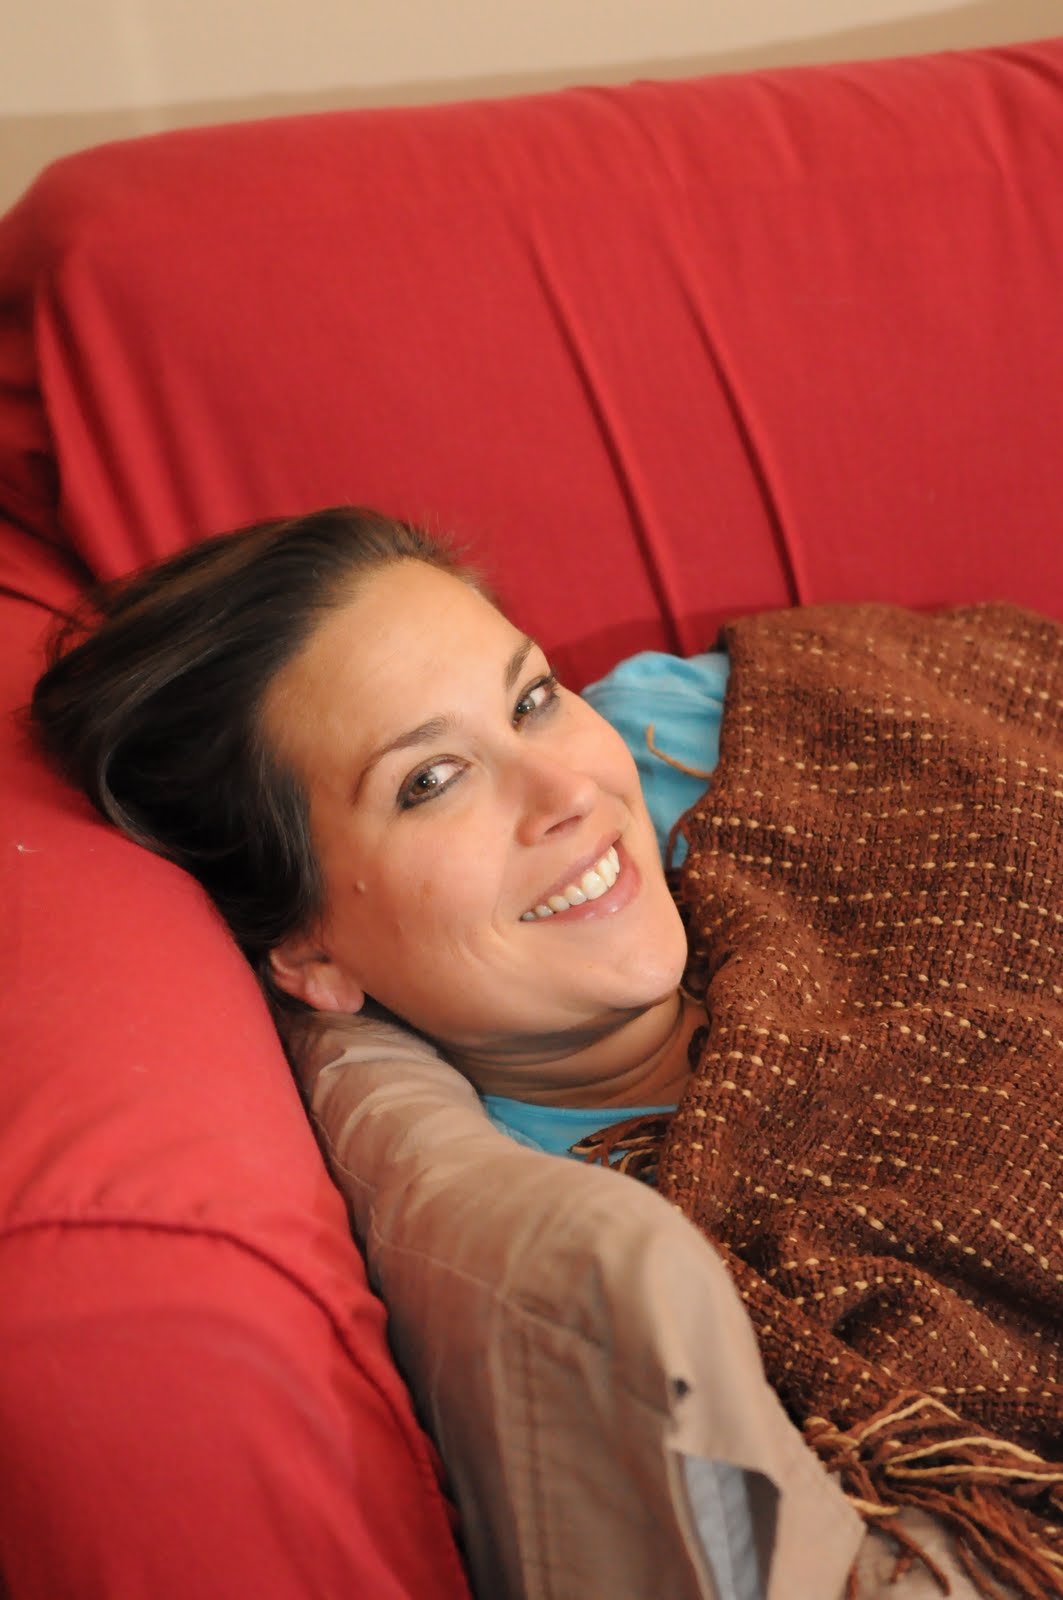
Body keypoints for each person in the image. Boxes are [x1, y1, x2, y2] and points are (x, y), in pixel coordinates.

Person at [29, 504, 725, 1157]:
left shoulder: (703, 723)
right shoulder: (532, 1218)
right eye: (431, 781)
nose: (570, 791)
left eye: (531, 701)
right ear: (311, 953)